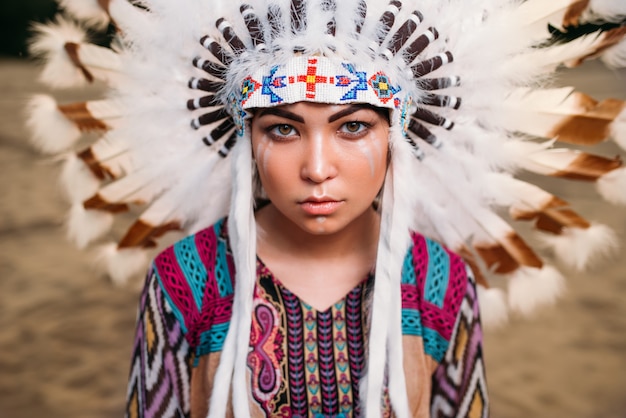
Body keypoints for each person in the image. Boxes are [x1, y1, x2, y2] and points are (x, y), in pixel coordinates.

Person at [24, 0, 625, 417]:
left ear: (398, 139)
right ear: (246, 141)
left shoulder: (439, 282)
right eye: (284, 130)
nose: (317, 167)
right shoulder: (186, 277)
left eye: (353, 127)